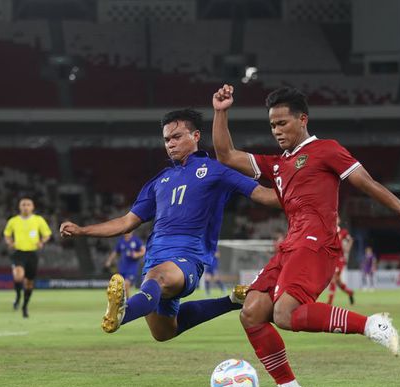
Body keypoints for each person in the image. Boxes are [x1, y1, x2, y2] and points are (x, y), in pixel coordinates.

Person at [212, 84, 400, 387]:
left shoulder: (327, 150)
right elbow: (226, 155)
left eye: (282, 123)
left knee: (285, 314)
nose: (277, 131)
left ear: (303, 119)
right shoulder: (277, 164)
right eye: (272, 125)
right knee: (253, 312)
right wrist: (220, 111)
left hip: (317, 243)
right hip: (289, 246)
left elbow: (366, 183)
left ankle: (371, 324)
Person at [59, 108, 280, 341]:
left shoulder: (217, 170)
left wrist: (307, 190)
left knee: (157, 279)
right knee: (164, 332)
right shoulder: (159, 180)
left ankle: (122, 314)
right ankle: (232, 300)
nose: (170, 144)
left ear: (195, 136)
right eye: (166, 139)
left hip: (188, 258)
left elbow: (266, 196)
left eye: (176, 137)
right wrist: (82, 230)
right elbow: (126, 222)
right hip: (155, 259)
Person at [3, 197, 52, 318]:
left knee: (29, 283)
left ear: (32, 207)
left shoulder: (38, 220)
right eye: (23, 204)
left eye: (28, 204)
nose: (25, 206)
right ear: (19, 207)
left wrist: (41, 242)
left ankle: (25, 306)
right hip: (18, 253)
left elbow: (47, 234)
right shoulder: (13, 221)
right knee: (18, 276)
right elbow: (7, 234)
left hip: (32, 254)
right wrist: (9, 242)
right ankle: (18, 297)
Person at [105, 232, 146, 298]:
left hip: (132, 268)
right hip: (122, 267)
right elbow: (115, 252)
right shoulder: (121, 241)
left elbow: (144, 251)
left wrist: (137, 254)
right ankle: (124, 301)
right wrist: (109, 261)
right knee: (121, 287)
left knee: (126, 284)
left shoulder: (136, 240)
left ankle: (127, 302)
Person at [327, 217, 354, 305]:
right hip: (332, 260)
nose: (335, 220)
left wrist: (347, 249)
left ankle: (329, 303)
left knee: (333, 279)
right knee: (338, 282)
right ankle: (350, 292)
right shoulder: (329, 232)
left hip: (339, 260)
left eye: (337, 218)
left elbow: (350, 240)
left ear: (339, 221)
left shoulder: (343, 232)